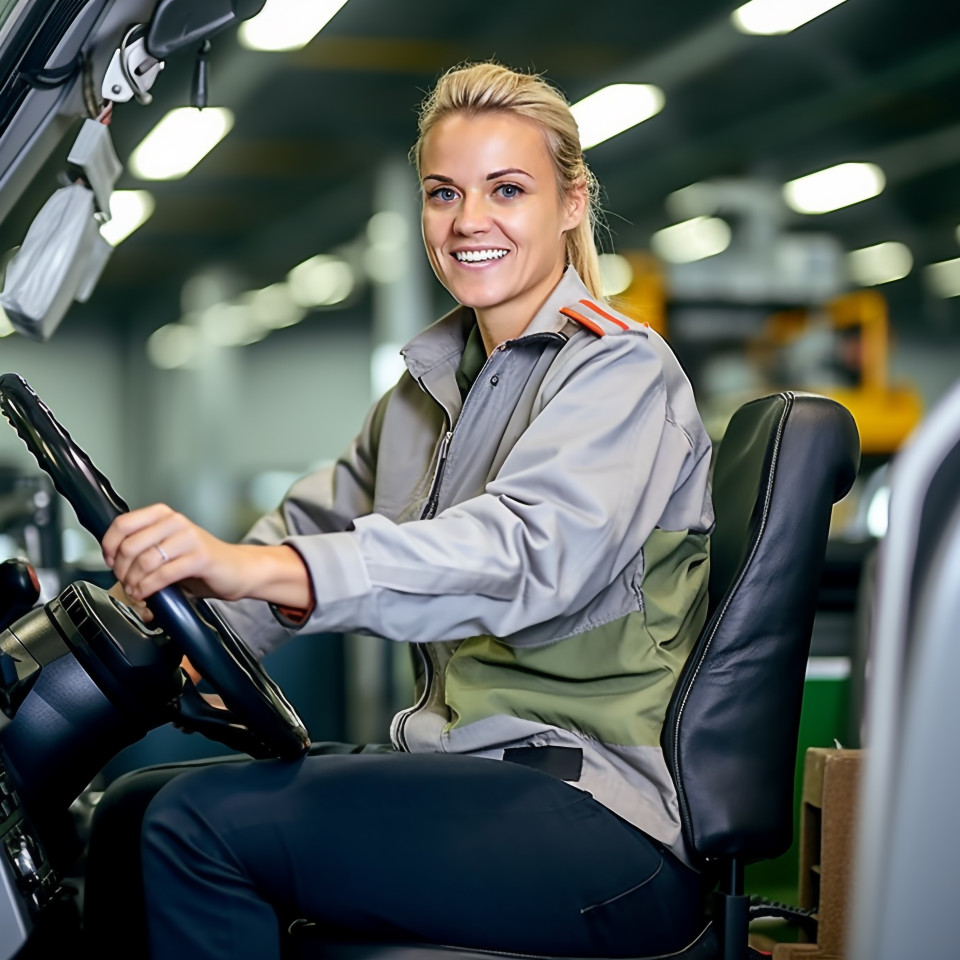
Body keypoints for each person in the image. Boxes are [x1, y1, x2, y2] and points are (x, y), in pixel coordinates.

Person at [91, 61, 714, 960]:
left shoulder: (619, 373)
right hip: (470, 772)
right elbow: (313, 529)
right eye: (443, 193)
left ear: (572, 203)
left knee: (199, 828)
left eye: (507, 190)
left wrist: (269, 572)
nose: (469, 222)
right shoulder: (430, 390)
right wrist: (183, 620)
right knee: (129, 811)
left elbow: (525, 553)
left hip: (600, 816)